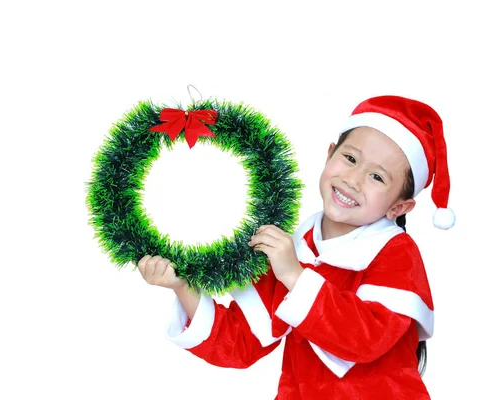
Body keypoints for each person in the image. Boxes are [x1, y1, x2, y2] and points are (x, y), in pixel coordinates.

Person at [137, 95, 455, 399]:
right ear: (329, 153)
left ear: (399, 208)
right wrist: (181, 285)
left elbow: (365, 338)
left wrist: (295, 276)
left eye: (376, 176)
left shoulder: (396, 254)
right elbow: (239, 342)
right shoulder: (295, 248)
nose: (354, 180)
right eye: (350, 158)